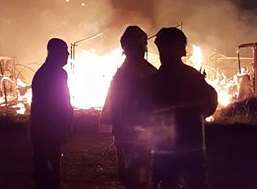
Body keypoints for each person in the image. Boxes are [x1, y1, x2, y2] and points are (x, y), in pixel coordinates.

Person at [150, 27, 218, 189]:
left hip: (165, 149)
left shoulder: (154, 81)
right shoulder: (193, 76)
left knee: (168, 183)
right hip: (191, 147)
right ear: (182, 50)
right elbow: (209, 105)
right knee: (195, 183)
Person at [103, 26, 157, 189]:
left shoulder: (121, 74)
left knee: (132, 177)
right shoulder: (147, 72)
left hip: (127, 134)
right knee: (138, 177)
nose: (144, 48)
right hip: (140, 135)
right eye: (142, 44)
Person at [30, 38, 73, 189]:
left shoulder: (49, 73)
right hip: (47, 131)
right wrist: (62, 126)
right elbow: (54, 105)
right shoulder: (53, 75)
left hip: (46, 131)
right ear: (56, 53)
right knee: (48, 173)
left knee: (49, 170)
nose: (68, 54)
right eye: (65, 51)